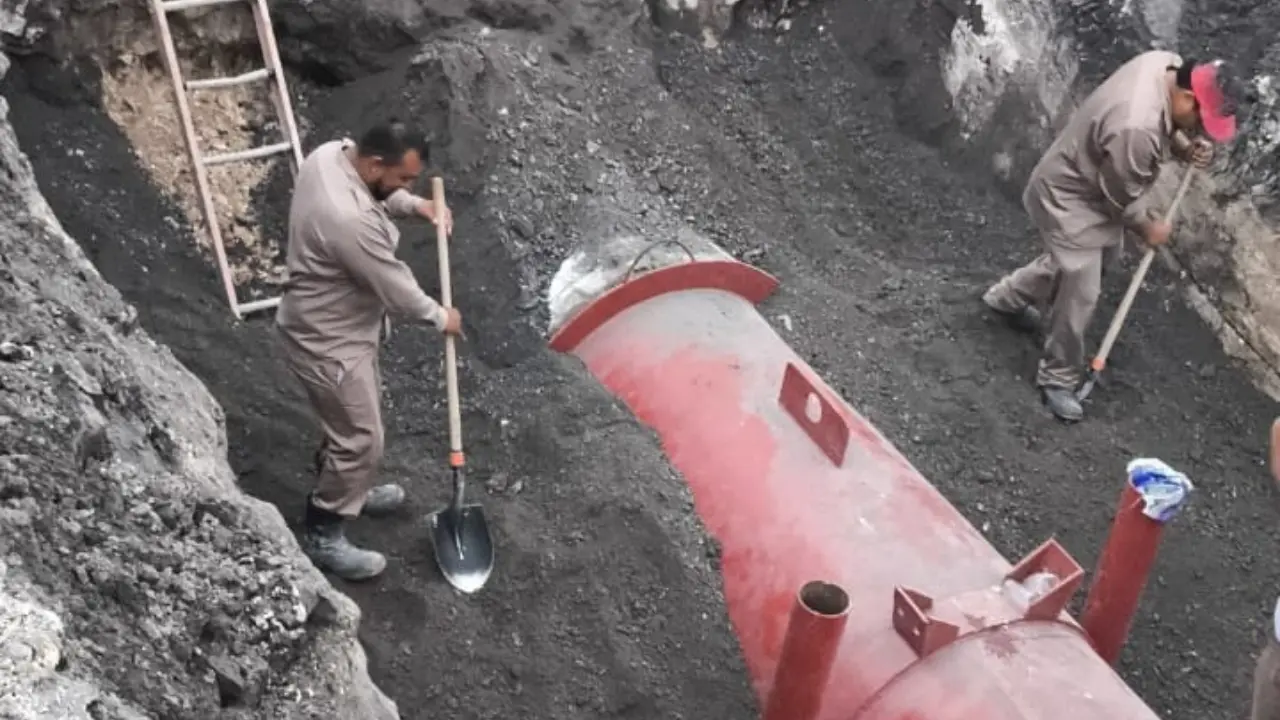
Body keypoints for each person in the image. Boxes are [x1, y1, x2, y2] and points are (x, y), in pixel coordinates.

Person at [982, 52, 1240, 422]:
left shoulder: (1165, 62)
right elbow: (1121, 197)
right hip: (1069, 197)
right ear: (1187, 97)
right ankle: (1058, 378)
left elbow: (1160, 128)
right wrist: (1150, 228)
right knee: (1082, 288)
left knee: (1095, 261)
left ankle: (1005, 299)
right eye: (1201, 120)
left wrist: (1185, 147)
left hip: (1090, 182)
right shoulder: (1136, 127)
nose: (1201, 129)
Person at [274, 120, 463, 581]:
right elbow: (395, 287)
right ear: (375, 163)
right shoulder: (350, 221)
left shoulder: (328, 156)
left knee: (351, 420)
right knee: (363, 437)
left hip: (336, 324)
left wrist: (414, 203)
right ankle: (325, 531)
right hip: (329, 340)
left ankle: (346, 482)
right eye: (404, 179)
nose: (407, 187)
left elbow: (375, 191)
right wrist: (441, 317)